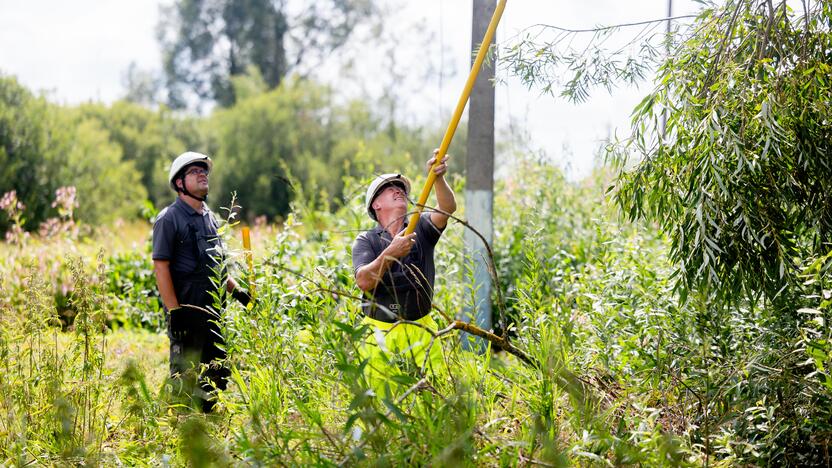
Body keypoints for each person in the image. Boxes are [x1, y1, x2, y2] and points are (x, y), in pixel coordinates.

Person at [152, 151, 251, 412]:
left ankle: (209, 427)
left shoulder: (211, 218)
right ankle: (180, 430)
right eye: (195, 171)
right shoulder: (168, 219)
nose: (203, 174)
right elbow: (161, 267)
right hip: (186, 310)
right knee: (186, 374)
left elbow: (216, 266)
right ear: (179, 183)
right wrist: (174, 312)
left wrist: (237, 291)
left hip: (214, 310)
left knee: (216, 373)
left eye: (204, 170)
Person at [352, 150, 457, 391]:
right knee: (383, 404)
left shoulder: (422, 227)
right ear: (376, 204)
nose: (398, 189)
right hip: (379, 333)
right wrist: (391, 252)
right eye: (389, 188)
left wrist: (438, 177)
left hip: (422, 330)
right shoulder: (366, 240)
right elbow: (364, 281)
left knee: (433, 398)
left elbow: (447, 207)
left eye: (401, 188)